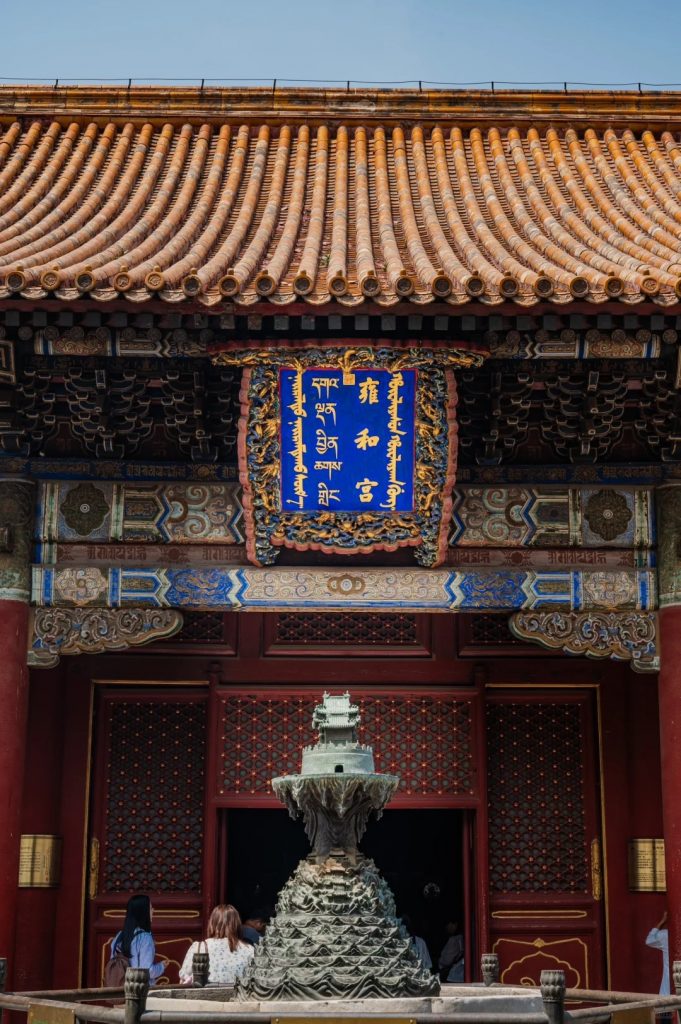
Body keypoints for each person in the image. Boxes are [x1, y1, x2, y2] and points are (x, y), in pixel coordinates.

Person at [179, 904, 254, 985]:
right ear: (237, 925)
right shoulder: (249, 950)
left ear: (212, 923)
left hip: (205, 997)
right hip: (239, 997)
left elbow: (183, 980)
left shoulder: (199, 948)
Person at [110, 894, 166, 984]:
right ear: (143, 912)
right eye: (150, 908)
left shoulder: (119, 936)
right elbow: (148, 971)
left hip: (120, 989)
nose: (153, 910)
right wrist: (162, 966)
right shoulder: (145, 938)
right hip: (140, 992)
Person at [646, 911, 670, 995]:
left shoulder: (666, 935)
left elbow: (649, 940)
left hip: (669, 983)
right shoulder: (665, 935)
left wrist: (662, 921)